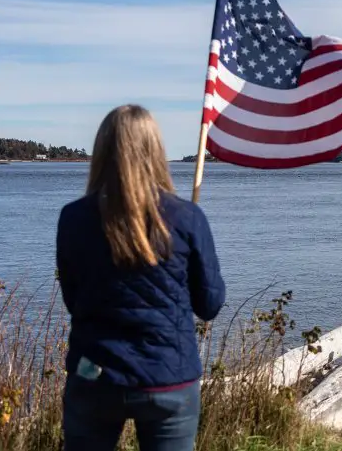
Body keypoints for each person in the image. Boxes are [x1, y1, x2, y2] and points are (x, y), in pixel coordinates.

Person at [56, 105, 226, 451]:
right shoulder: (187, 218)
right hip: (168, 376)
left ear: (102, 151)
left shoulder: (73, 218)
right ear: (156, 152)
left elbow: (74, 301)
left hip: (95, 374)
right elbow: (209, 305)